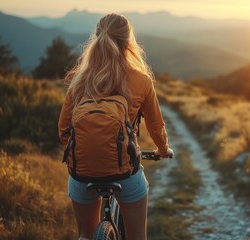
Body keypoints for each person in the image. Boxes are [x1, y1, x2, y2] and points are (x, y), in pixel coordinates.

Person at [58, 13, 173, 240]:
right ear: (129, 43)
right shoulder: (141, 80)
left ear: (96, 38)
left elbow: (63, 130)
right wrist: (162, 149)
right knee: (137, 236)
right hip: (125, 173)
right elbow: (155, 126)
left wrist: (87, 149)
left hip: (82, 174)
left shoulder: (79, 80)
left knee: (85, 235)